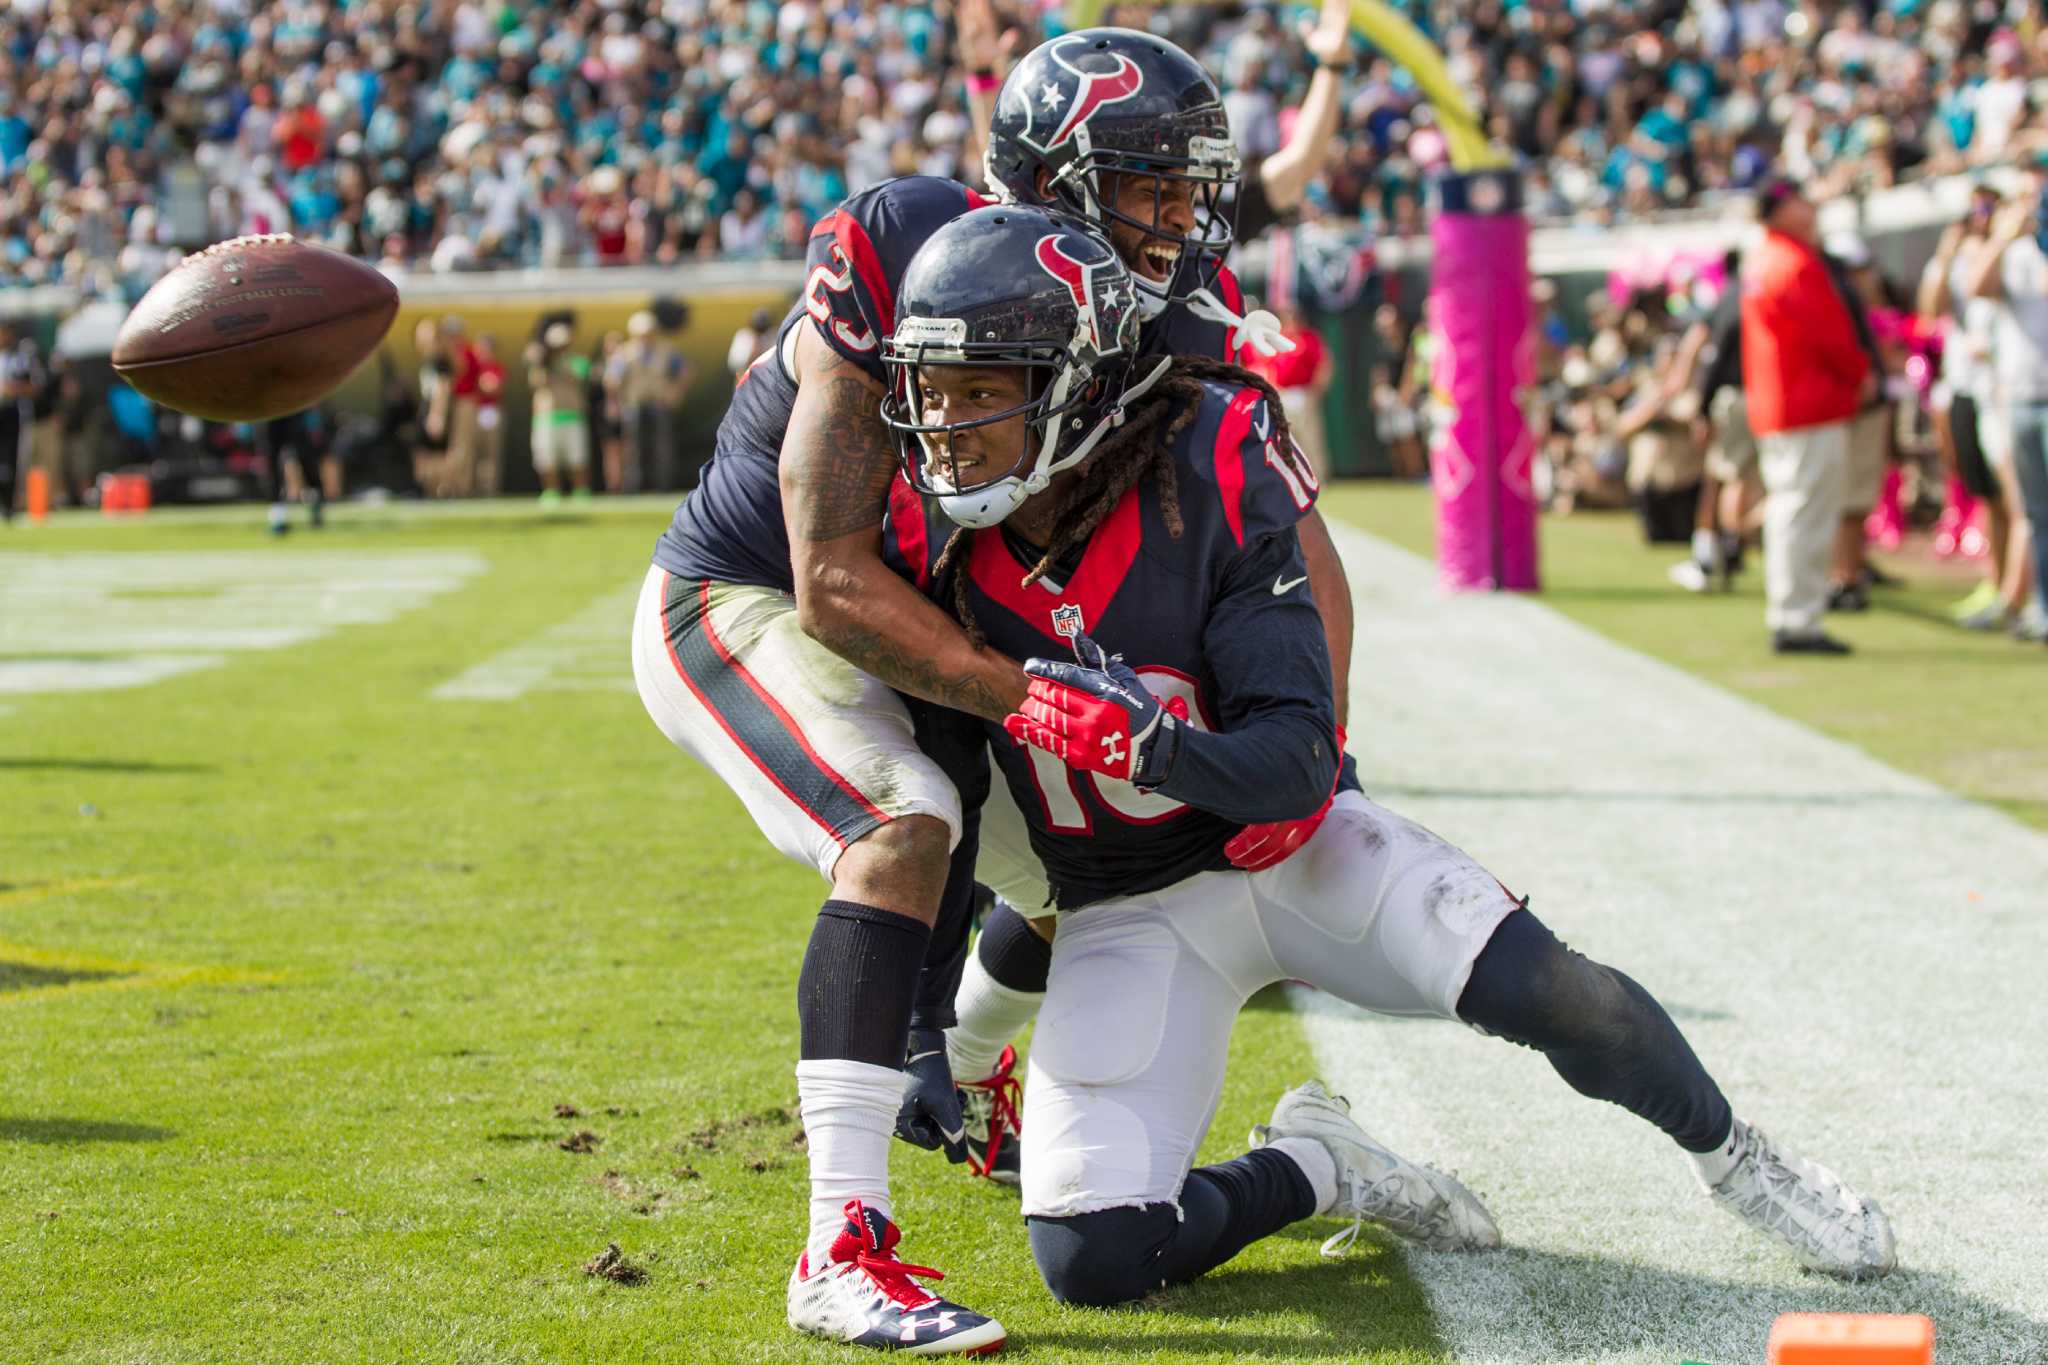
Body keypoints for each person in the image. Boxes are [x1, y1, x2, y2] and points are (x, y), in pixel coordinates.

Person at [884, 210, 1895, 1310]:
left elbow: (1294, 758)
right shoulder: (920, 553)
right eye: (929, 391)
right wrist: (921, 1024)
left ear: (1073, 380)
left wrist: (1149, 742)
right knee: (1092, 1259)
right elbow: (936, 814)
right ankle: (1321, 1164)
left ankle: (1738, 1160)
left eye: (979, 389)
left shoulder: (1202, 469)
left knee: (1554, 994)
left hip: (1287, 854)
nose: (944, 426)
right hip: (1124, 908)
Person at [631, 29, 1353, 1356]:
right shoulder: (902, 242)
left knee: (1125, 858)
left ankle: (958, 1067)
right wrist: (1032, 698)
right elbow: (834, 578)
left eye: (1187, 188)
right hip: (752, 601)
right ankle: (838, 1247)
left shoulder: (1168, 320)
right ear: (1060, 185)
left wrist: (1317, 744)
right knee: (901, 819)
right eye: (1148, 187)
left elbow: (1291, 530)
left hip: (956, 640)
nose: (1180, 220)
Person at [1740, 178, 1869, 655]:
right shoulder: (1793, 261)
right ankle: (1797, 618)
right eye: (1799, 200)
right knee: (1806, 514)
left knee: (1793, 510)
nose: (1809, 207)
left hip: (1782, 403)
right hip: (1807, 403)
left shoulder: (1765, 258)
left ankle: (1792, 612)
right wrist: (1859, 372)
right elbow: (1831, 335)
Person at [1922, 187, 2017, 630]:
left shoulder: (2016, 255)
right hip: (1966, 389)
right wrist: (1946, 254)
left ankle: (2017, 590)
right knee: (1986, 494)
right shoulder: (1959, 258)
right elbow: (1931, 310)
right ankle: (1998, 582)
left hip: (2002, 390)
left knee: (2016, 498)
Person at [1964, 166, 2048, 643]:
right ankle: (2041, 607)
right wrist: (2008, 234)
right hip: (2020, 398)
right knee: (2035, 514)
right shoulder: (2012, 252)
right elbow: (1977, 285)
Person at [1245, 300, 1333, 483]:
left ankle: (1319, 478)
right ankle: (1293, 479)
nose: (1290, 317)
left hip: (1303, 393)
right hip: (1282, 394)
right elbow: (1267, 367)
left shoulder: (1309, 337)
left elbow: (1323, 366)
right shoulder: (1278, 337)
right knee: (1287, 440)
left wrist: (1315, 392)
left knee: (1311, 440)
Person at [615, 312, 690, 493]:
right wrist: (619, 400)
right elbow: (613, 380)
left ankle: (663, 487)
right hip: (634, 405)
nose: (645, 337)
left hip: (659, 404)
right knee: (633, 450)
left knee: (662, 448)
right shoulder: (625, 352)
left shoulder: (667, 350)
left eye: (648, 333)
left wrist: (676, 392)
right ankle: (634, 488)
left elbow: (685, 373)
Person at [527, 323, 592, 507]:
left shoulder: (577, 361)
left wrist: (555, 364)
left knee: (577, 459)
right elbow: (536, 382)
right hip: (546, 418)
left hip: (573, 417)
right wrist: (539, 361)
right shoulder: (540, 365)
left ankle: (580, 492)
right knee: (546, 459)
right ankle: (551, 492)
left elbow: (576, 377)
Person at [470, 335, 506, 498]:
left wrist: (477, 382)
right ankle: (471, 489)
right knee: (471, 454)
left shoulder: (496, 367)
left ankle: (489, 491)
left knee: (490, 456)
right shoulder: (473, 367)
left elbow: (492, 387)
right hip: (473, 411)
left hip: (490, 412)